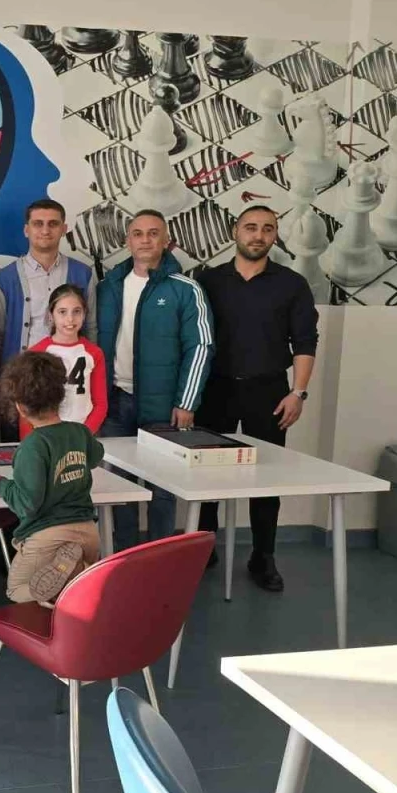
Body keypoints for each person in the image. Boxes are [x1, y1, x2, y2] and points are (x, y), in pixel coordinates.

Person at [196, 205, 319, 591]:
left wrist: (298, 392)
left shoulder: (292, 284)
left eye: (267, 228)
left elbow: (305, 341)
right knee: (207, 475)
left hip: (269, 392)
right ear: (235, 231)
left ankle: (263, 556)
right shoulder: (207, 281)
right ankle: (203, 547)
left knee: (266, 478)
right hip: (214, 389)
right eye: (250, 227)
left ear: (275, 235)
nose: (258, 235)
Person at [96, 210, 214, 552]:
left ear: (166, 241)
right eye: (138, 233)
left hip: (164, 407)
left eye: (153, 233)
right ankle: (123, 557)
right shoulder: (108, 287)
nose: (145, 240)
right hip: (116, 401)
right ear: (127, 241)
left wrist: (186, 402)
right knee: (119, 487)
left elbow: (201, 346)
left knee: (162, 488)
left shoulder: (185, 289)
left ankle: (159, 557)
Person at [0, 352, 106, 605]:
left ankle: (64, 580)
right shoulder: (79, 432)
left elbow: (27, 503)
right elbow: (95, 457)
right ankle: (72, 574)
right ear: (59, 396)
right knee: (74, 600)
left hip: (49, 536)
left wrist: (0, 484)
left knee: (16, 590)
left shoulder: (32, 446)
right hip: (88, 532)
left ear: (20, 407)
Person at [0, 199, 96, 440]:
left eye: (53, 224)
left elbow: (91, 329)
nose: (45, 230)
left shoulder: (83, 274)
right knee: (19, 451)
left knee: (64, 450)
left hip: (70, 387)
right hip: (22, 386)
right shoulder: (5, 279)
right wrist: (0, 387)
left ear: (64, 228)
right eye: (38, 224)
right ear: (26, 229)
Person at [21, 283, 108, 438]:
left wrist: (83, 434)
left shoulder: (94, 353)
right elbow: (27, 407)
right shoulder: (36, 353)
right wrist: (30, 440)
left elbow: (100, 404)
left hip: (82, 435)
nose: (70, 319)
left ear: (84, 314)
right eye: (62, 312)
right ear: (51, 315)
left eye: (76, 311)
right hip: (45, 437)